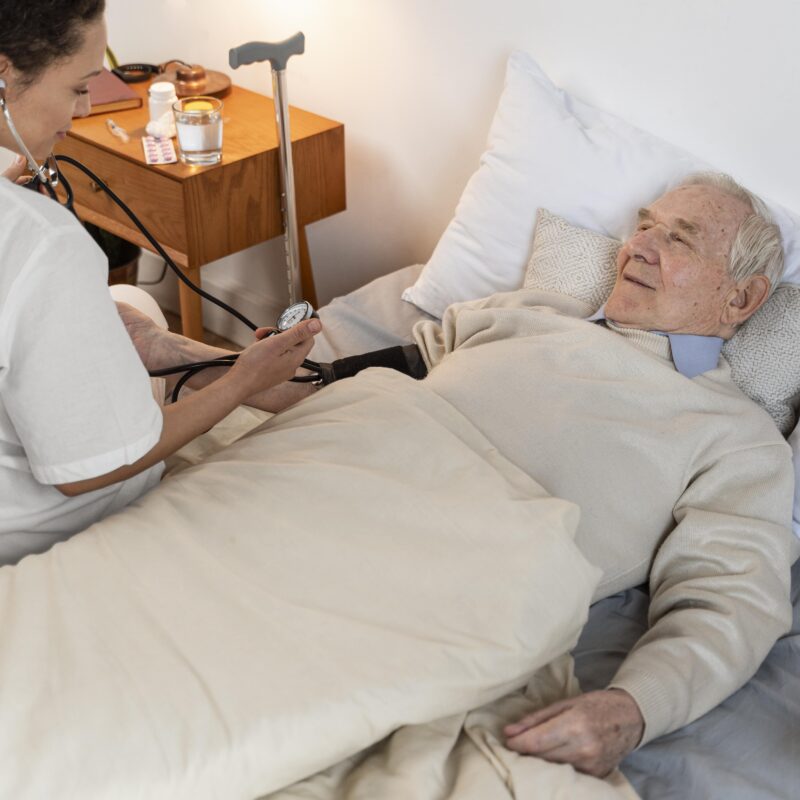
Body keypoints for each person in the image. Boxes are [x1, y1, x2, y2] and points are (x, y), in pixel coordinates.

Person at [0, 0, 321, 565]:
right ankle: (256, 378)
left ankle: (175, 352)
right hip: (35, 527)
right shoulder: (43, 241)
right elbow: (92, 470)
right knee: (131, 317)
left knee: (129, 301)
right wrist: (241, 385)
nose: (79, 113)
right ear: (4, 75)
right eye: (78, 87)